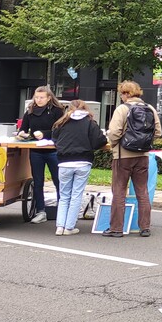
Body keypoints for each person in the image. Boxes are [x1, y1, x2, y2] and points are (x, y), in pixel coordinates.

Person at [104, 81, 162, 237]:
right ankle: (145, 227)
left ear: (126, 94)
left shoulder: (122, 109)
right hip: (143, 156)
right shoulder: (150, 108)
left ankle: (116, 229)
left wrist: (116, 144)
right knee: (142, 192)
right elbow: (158, 132)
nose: (121, 97)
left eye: (122, 93)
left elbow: (114, 132)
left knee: (119, 192)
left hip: (123, 156)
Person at [52, 100, 106, 236]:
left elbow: (55, 139)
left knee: (64, 196)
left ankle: (60, 226)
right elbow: (100, 141)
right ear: (85, 108)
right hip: (83, 161)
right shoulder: (89, 122)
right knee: (76, 195)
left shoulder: (62, 122)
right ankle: (69, 227)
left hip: (64, 162)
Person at [20, 85, 64, 223]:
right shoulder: (30, 111)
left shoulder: (58, 111)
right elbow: (23, 128)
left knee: (58, 181)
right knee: (38, 182)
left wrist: (45, 134)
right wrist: (23, 134)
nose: (38, 100)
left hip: (53, 151)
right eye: (36, 97)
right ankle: (41, 211)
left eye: (41, 98)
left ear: (49, 98)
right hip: (36, 150)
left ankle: (62, 211)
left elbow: (61, 130)